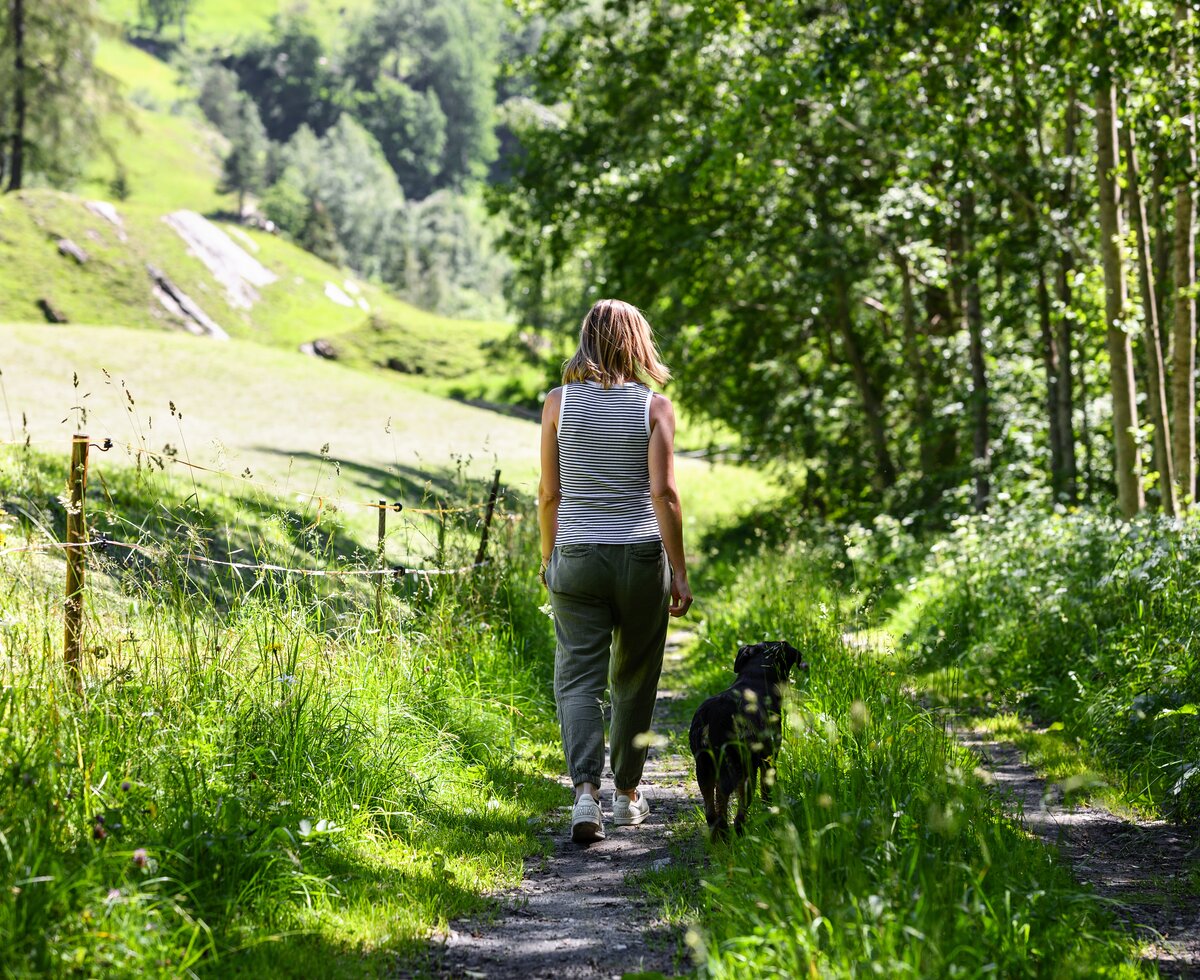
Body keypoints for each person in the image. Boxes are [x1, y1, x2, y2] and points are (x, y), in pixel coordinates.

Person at [538, 298, 693, 845]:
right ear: (637, 342)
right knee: (634, 676)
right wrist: (679, 570)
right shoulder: (656, 407)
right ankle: (627, 796)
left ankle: (585, 794)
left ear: (588, 339)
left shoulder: (557, 404)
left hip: (576, 555)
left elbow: (550, 492)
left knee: (578, 679)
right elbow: (664, 493)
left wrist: (547, 554)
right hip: (638, 555)